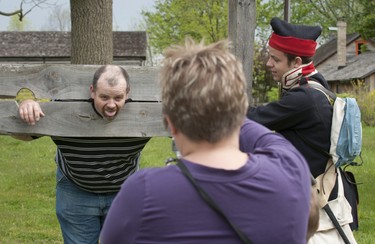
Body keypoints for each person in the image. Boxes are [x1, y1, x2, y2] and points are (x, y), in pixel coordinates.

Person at [100, 38, 312, 244]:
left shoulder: (142, 193)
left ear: (170, 123)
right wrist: (227, 106)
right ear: (239, 109)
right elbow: (263, 137)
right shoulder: (291, 167)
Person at [247, 17, 357, 240]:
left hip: (312, 204)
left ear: (296, 62)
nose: (268, 63)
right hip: (317, 197)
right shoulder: (318, 88)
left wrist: (215, 100)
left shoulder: (305, 99)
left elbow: (251, 118)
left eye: (275, 59)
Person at [14, 65, 151, 244]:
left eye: (118, 97)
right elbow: (23, 135)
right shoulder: (62, 108)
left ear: (128, 92)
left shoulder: (147, 113)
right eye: (104, 97)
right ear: (92, 91)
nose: (111, 105)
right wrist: (25, 105)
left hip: (123, 189)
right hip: (75, 188)